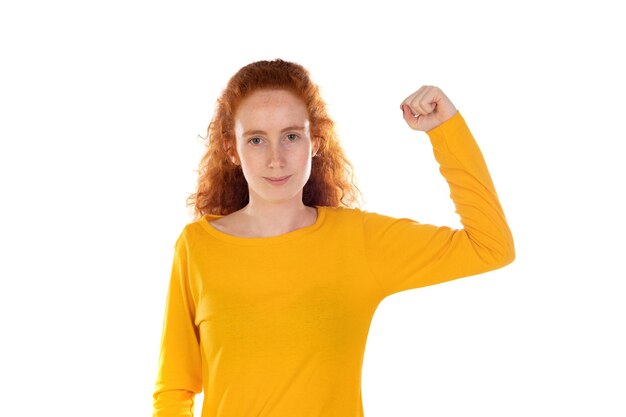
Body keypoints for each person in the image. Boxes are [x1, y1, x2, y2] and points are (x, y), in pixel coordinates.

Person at [152, 58, 515, 417]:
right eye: (257, 139)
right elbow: (174, 391)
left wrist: (446, 129)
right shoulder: (198, 247)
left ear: (316, 141)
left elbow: (491, 246)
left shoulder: (357, 240)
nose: (276, 159)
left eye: (291, 136)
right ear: (232, 148)